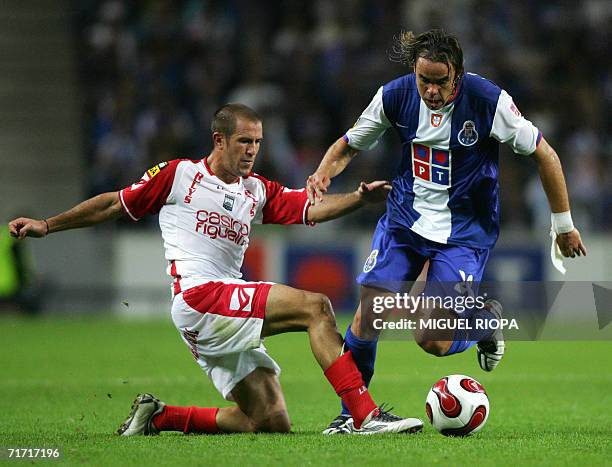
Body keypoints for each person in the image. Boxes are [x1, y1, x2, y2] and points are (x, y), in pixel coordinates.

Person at [8, 103, 424, 436]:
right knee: (316, 307)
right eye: (244, 141)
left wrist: (357, 198)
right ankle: (364, 416)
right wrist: (48, 224)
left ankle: (159, 417)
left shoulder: (254, 190)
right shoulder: (179, 176)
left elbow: (306, 207)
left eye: (258, 143)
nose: (251, 151)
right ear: (218, 140)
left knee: (270, 420)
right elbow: (115, 202)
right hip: (200, 296)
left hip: (218, 307)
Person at [306, 29, 587, 434]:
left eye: (441, 81)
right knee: (369, 313)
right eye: (425, 80)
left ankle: (483, 325)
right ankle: (354, 413)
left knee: (433, 341)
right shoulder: (394, 96)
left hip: (464, 234)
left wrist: (563, 224)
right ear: (414, 72)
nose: (432, 91)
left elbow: (544, 153)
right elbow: (349, 144)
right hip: (405, 222)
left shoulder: (490, 102)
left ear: (458, 74)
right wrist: (322, 174)